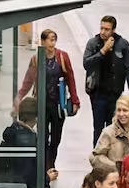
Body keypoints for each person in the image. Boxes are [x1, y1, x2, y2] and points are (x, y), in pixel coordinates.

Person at [15, 27, 81, 170]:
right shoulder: (36, 59)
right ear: (43, 41)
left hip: (58, 104)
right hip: (42, 104)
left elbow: (70, 79)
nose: (52, 43)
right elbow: (28, 80)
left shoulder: (62, 57)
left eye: (54, 39)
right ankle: (44, 166)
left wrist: (75, 100)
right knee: (43, 137)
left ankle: (51, 163)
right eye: (49, 39)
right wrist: (20, 95)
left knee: (56, 137)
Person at [82, 15, 129, 145]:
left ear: (113, 30)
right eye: (101, 28)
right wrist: (103, 51)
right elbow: (86, 64)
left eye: (106, 29)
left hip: (115, 93)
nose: (103, 32)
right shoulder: (93, 43)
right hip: (98, 92)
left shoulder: (122, 44)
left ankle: (112, 157)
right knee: (99, 128)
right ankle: (98, 156)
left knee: (114, 128)